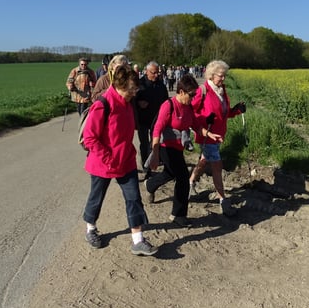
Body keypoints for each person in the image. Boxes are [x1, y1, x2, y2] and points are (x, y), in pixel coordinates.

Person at [81, 64, 158, 256]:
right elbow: (90, 138)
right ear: (118, 85)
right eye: (131, 90)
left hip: (126, 160)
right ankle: (91, 229)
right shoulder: (103, 104)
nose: (134, 93)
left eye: (135, 89)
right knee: (97, 196)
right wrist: (109, 158)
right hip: (103, 162)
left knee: (134, 198)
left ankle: (138, 241)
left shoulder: (128, 103)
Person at [145, 74, 222, 227]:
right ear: (181, 92)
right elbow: (157, 129)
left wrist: (210, 134)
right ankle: (178, 214)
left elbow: (196, 126)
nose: (193, 98)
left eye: (194, 95)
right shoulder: (169, 105)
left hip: (178, 147)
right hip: (165, 147)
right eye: (191, 95)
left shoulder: (188, 108)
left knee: (170, 173)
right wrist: (155, 152)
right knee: (182, 178)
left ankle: (150, 185)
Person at [188, 60, 246, 217]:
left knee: (204, 160)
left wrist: (237, 110)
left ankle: (190, 182)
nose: (223, 79)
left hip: (219, 136)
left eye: (224, 75)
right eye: (221, 76)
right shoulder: (203, 91)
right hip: (207, 136)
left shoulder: (222, 90)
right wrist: (203, 121)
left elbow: (224, 113)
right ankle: (223, 201)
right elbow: (191, 112)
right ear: (211, 75)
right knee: (217, 167)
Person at [135, 61, 169, 177]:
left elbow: (166, 100)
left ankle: (152, 164)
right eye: (154, 73)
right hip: (143, 120)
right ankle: (146, 166)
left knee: (154, 143)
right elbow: (132, 100)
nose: (156, 75)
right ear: (147, 72)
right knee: (144, 144)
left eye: (157, 73)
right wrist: (139, 103)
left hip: (157, 120)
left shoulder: (161, 85)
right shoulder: (140, 84)